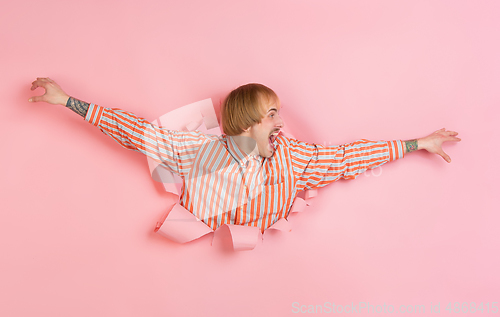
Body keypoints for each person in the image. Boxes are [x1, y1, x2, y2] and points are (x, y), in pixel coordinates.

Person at [28, 77, 461, 233]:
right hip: (207, 218)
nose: (280, 121)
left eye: (280, 113)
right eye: (272, 114)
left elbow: (349, 157)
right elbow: (135, 132)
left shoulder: (295, 157)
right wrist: (68, 101)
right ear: (248, 121)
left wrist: (417, 143)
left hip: (267, 223)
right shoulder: (198, 152)